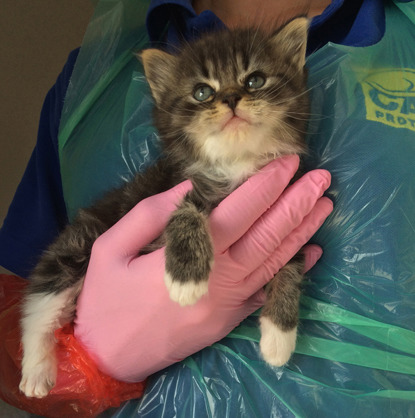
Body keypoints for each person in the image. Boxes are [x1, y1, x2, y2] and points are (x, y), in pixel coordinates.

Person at [1, 0, 414, 416]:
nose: (231, 97)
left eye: (251, 81)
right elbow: (14, 341)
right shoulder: (90, 80)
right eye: (204, 91)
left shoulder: (406, 38)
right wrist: (90, 361)